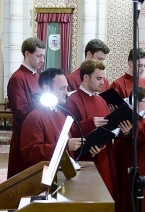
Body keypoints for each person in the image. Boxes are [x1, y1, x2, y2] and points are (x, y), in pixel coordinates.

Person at [65, 59, 132, 198]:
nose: (103, 82)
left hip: (105, 155)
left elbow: (110, 127)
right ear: (86, 77)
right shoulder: (72, 101)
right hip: (86, 158)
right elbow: (68, 131)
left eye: (103, 78)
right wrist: (90, 123)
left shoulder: (101, 100)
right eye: (99, 78)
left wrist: (123, 129)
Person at [20, 68, 87, 170]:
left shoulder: (61, 114)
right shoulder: (35, 117)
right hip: (44, 176)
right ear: (47, 88)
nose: (66, 92)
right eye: (62, 88)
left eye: (66, 88)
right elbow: (31, 152)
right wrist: (65, 146)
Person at [7, 37, 46, 177]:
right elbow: (20, 109)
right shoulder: (18, 78)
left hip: (38, 133)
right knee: (22, 178)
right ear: (27, 54)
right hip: (24, 135)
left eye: (43, 56)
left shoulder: (38, 77)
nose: (42, 60)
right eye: (39, 56)